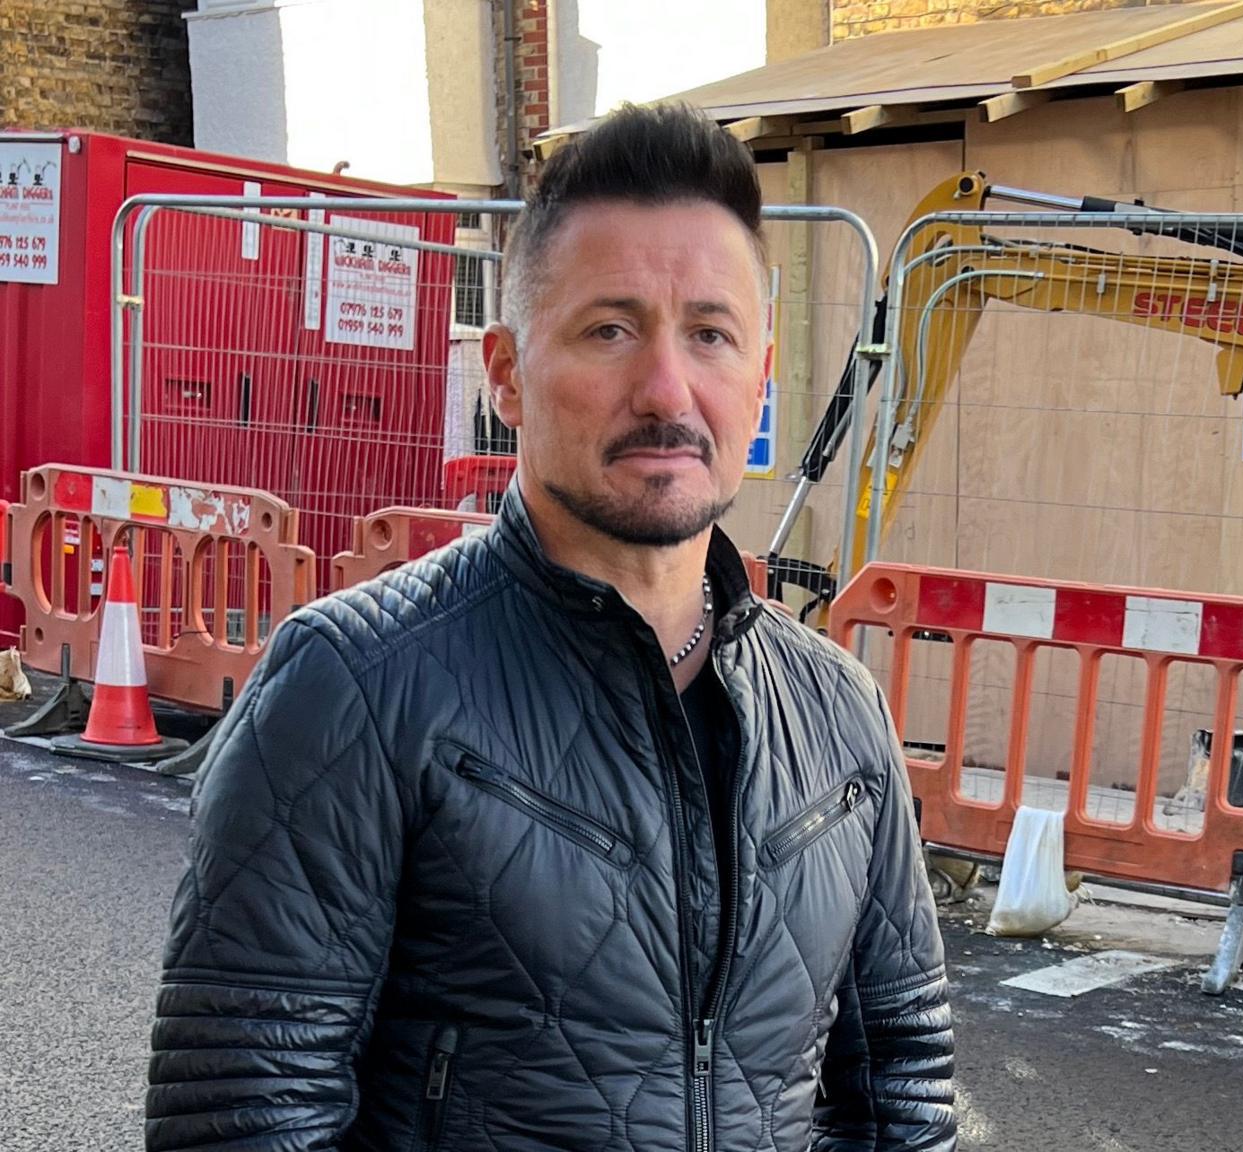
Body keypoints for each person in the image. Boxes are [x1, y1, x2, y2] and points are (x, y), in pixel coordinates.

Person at [144, 102, 956, 1152]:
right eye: (608, 329)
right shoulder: (353, 685)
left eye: (709, 334)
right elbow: (243, 1112)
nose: (666, 389)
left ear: (760, 374)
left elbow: (902, 1078)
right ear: (505, 374)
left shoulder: (838, 710)